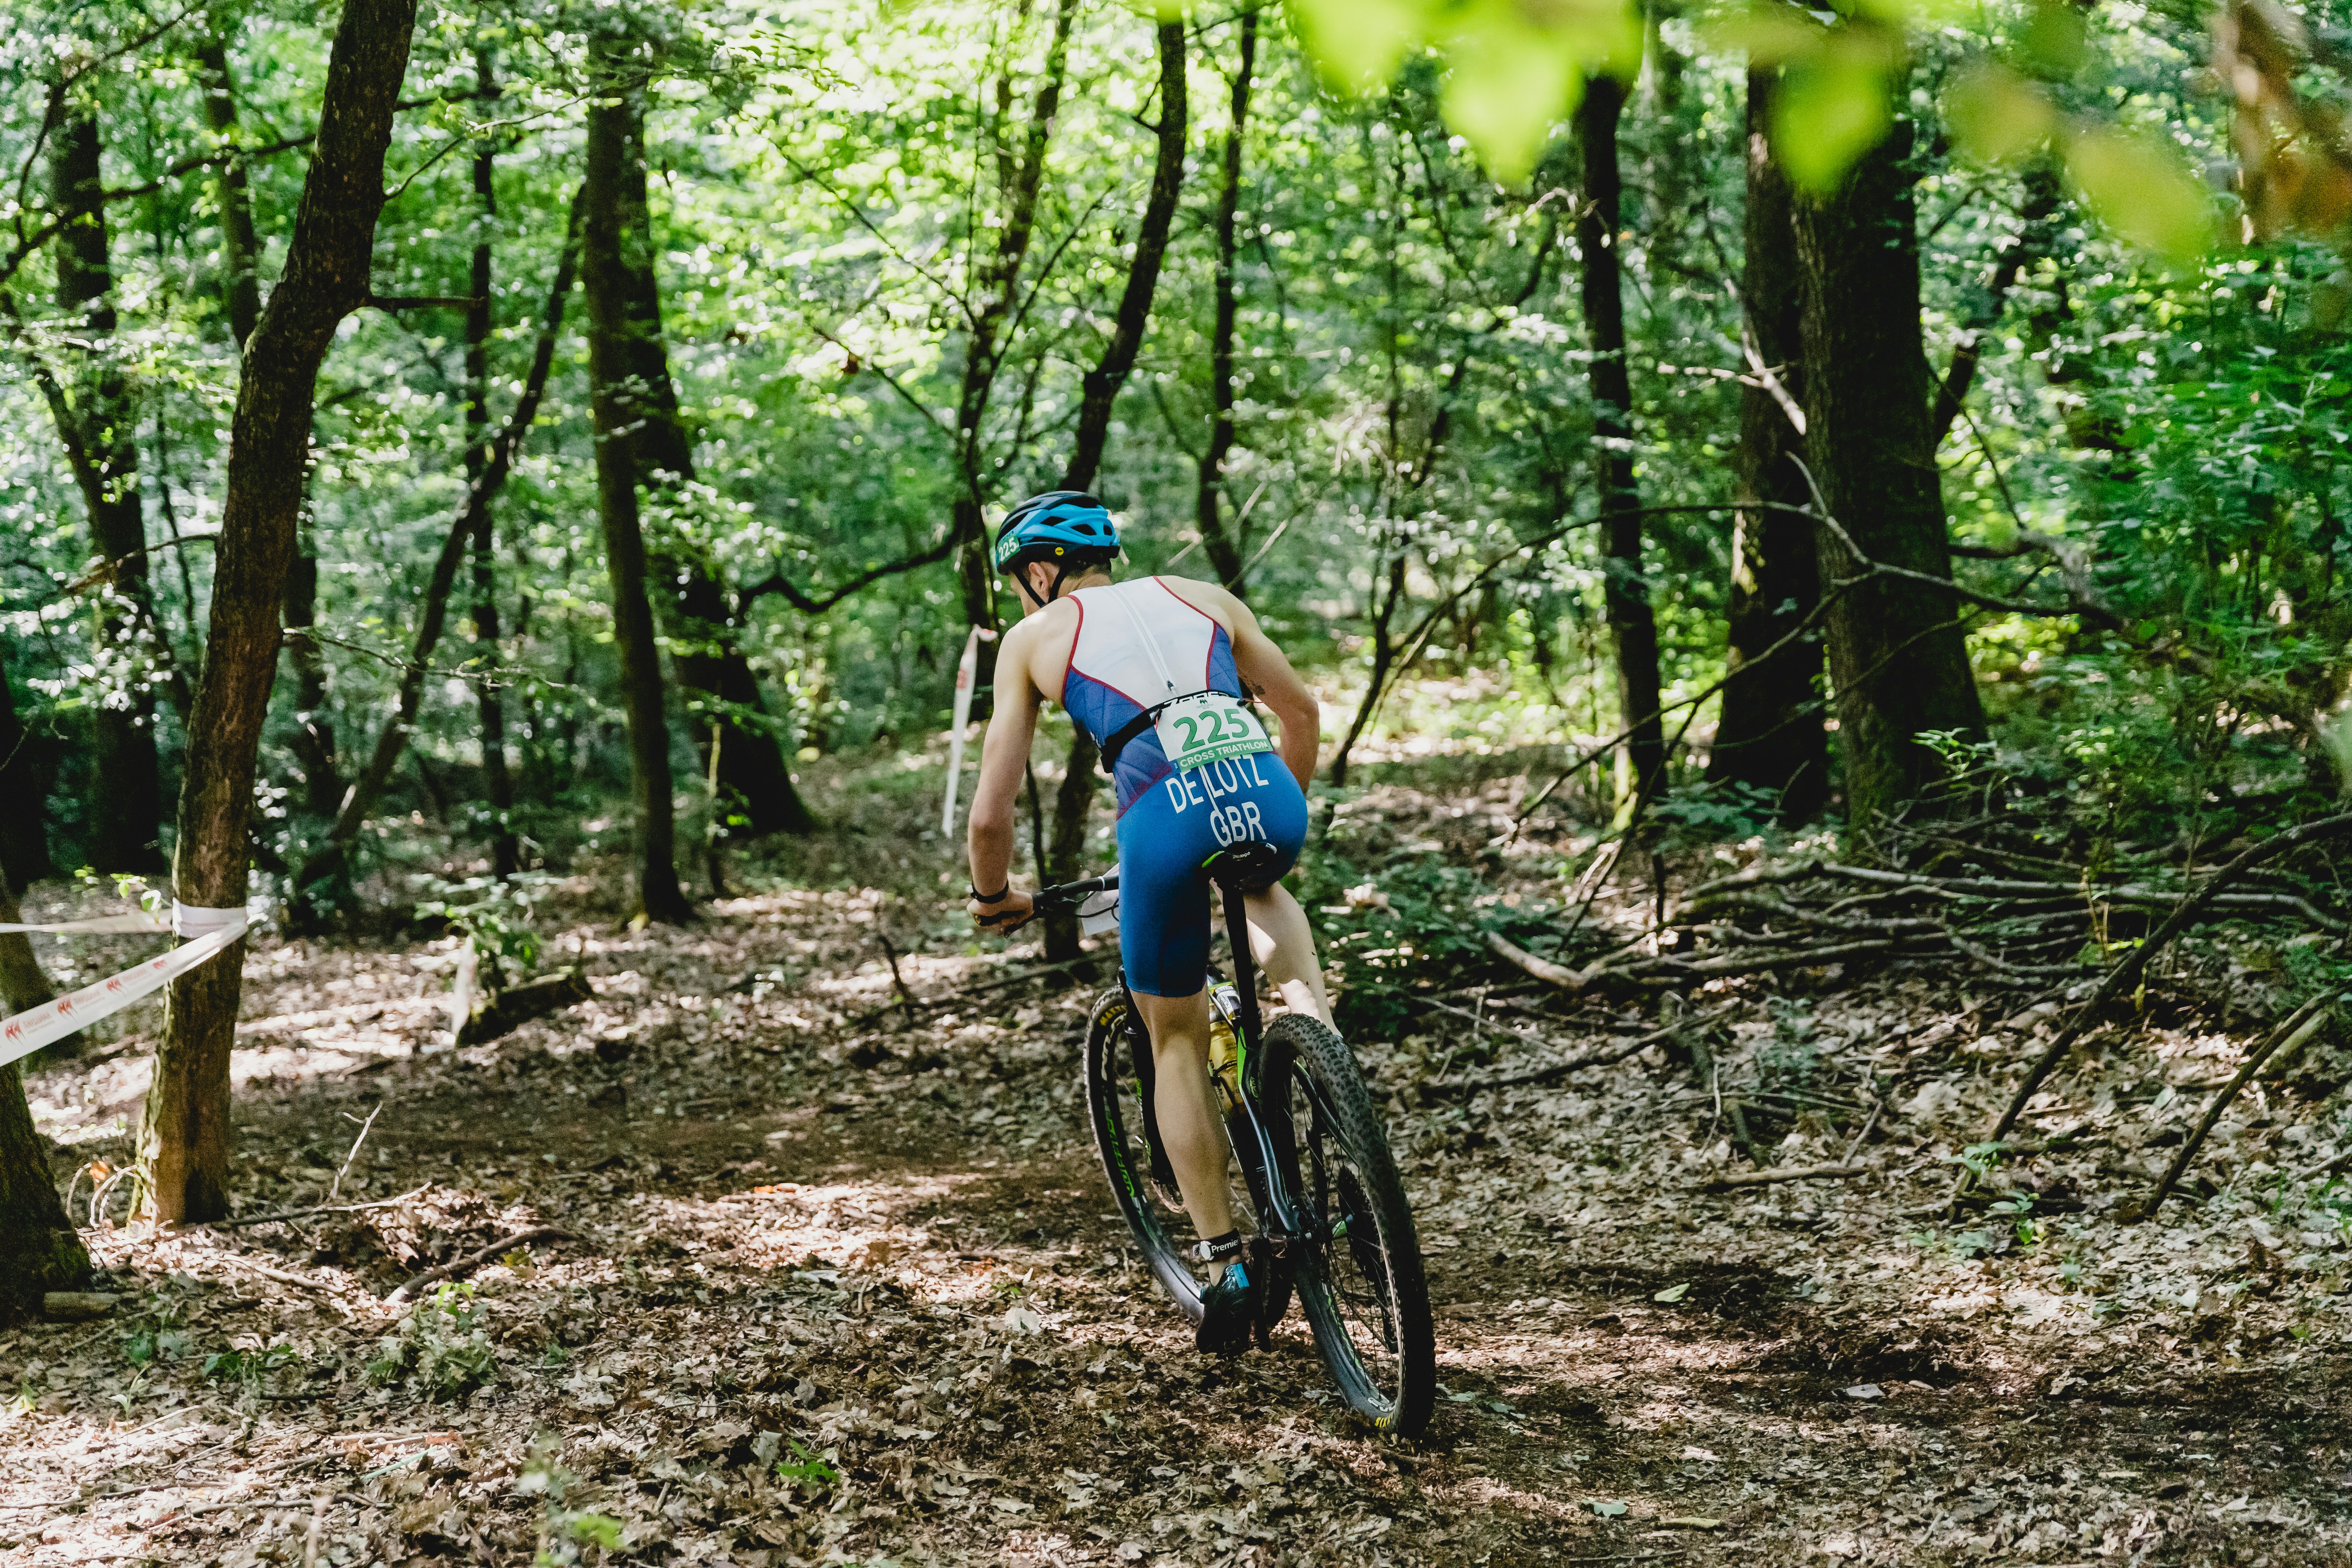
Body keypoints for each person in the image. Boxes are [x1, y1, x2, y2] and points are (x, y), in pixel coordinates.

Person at [962, 491, 1333, 1353]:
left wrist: (993, 896)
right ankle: (1321, 1052)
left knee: (1174, 1039)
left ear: (1040, 571)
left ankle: (1226, 1262)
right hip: (1264, 791)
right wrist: (1268, 816)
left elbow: (991, 815)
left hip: (1163, 820)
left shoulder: (1032, 639)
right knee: (1262, 890)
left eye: (1022, 580)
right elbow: (1302, 712)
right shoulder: (1206, 596)